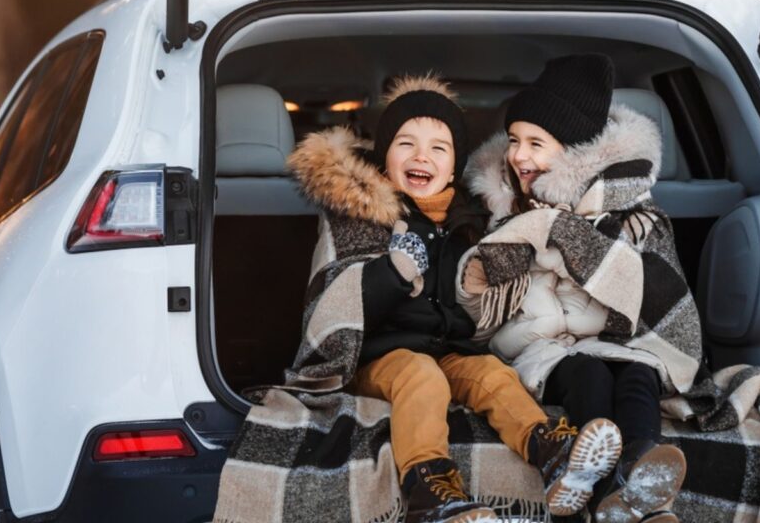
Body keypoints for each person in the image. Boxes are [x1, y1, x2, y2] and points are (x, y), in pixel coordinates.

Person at [286, 74, 622, 523]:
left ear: (453, 168)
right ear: (384, 159)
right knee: (421, 375)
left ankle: (551, 451)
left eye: (439, 148)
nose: (421, 156)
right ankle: (430, 490)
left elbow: (483, 298)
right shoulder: (362, 216)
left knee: (492, 374)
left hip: (450, 349)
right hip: (378, 356)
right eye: (406, 144)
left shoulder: (470, 220)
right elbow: (337, 304)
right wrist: (392, 273)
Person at [460, 54, 689, 523]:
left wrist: (572, 239)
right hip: (538, 346)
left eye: (536, 144)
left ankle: (639, 473)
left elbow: (652, 292)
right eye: (514, 141)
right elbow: (477, 296)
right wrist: (538, 235)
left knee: (638, 375)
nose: (519, 156)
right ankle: (607, 490)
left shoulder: (630, 215)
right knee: (589, 375)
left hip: (613, 341)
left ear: (575, 152)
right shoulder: (500, 211)